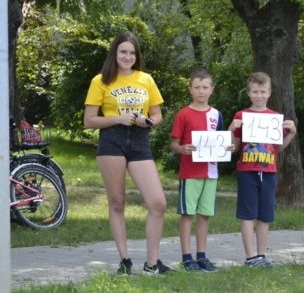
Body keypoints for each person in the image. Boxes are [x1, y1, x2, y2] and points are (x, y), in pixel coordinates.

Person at [83, 31, 172, 275]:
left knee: (158, 203)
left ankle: (152, 264)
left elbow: (158, 115)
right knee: (117, 202)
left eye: (132, 52)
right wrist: (118, 118)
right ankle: (125, 261)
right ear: (115, 53)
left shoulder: (146, 79)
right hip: (112, 140)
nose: (128, 56)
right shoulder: (100, 80)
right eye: (123, 51)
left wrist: (149, 122)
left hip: (140, 140)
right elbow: (89, 121)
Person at [228, 72, 297, 267]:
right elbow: (235, 146)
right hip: (247, 169)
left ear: (269, 93)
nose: (259, 95)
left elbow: (279, 148)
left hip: (269, 170)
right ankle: (250, 257)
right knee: (247, 213)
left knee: (265, 214)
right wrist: (231, 130)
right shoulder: (241, 116)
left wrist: (292, 133)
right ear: (249, 93)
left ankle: (261, 255)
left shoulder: (275, 118)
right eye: (255, 91)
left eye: (263, 91)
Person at [170, 69, 231, 272]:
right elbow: (174, 144)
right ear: (190, 89)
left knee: (204, 215)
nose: (201, 91)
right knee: (187, 215)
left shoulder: (216, 115)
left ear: (212, 90)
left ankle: (202, 256)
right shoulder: (183, 114)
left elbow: (221, 140)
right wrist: (182, 149)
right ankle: (187, 257)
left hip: (211, 173)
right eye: (197, 87)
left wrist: (228, 147)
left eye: (205, 87)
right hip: (189, 173)